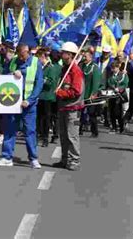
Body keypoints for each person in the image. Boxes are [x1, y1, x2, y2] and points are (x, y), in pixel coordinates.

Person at [0, 43, 43, 169]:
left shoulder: (36, 63)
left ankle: (33, 158)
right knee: (9, 130)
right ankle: (7, 157)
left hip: (29, 104)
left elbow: (39, 84)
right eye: (19, 55)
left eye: (23, 55)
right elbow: (3, 78)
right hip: (12, 102)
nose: (21, 58)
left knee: (29, 131)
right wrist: (12, 73)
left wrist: (30, 100)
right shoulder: (13, 61)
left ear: (28, 52)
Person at [53, 42, 84, 171]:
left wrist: (60, 93)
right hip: (63, 107)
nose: (61, 55)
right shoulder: (64, 69)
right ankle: (65, 159)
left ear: (70, 55)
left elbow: (76, 91)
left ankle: (74, 160)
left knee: (72, 136)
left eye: (64, 53)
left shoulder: (76, 71)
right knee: (64, 135)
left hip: (73, 109)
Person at [36, 48, 61, 147]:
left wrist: (40, 80)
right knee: (39, 118)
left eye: (39, 58)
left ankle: (45, 138)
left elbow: (50, 82)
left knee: (47, 118)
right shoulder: (40, 67)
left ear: (43, 57)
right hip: (40, 96)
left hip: (47, 96)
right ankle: (39, 135)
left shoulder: (50, 68)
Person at [79, 47, 102, 137]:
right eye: (84, 56)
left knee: (92, 114)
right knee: (80, 113)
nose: (84, 58)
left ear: (91, 57)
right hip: (82, 94)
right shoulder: (82, 66)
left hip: (90, 94)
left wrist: (94, 93)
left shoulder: (94, 68)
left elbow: (96, 82)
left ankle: (94, 131)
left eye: (86, 57)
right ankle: (80, 129)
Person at [107, 61, 129, 134]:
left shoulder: (122, 75)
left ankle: (121, 127)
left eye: (114, 68)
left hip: (120, 96)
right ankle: (114, 127)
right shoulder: (110, 75)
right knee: (112, 112)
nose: (113, 70)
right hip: (112, 95)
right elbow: (109, 82)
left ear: (118, 67)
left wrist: (119, 89)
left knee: (118, 113)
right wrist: (112, 87)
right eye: (112, 68)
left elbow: (125, 83)